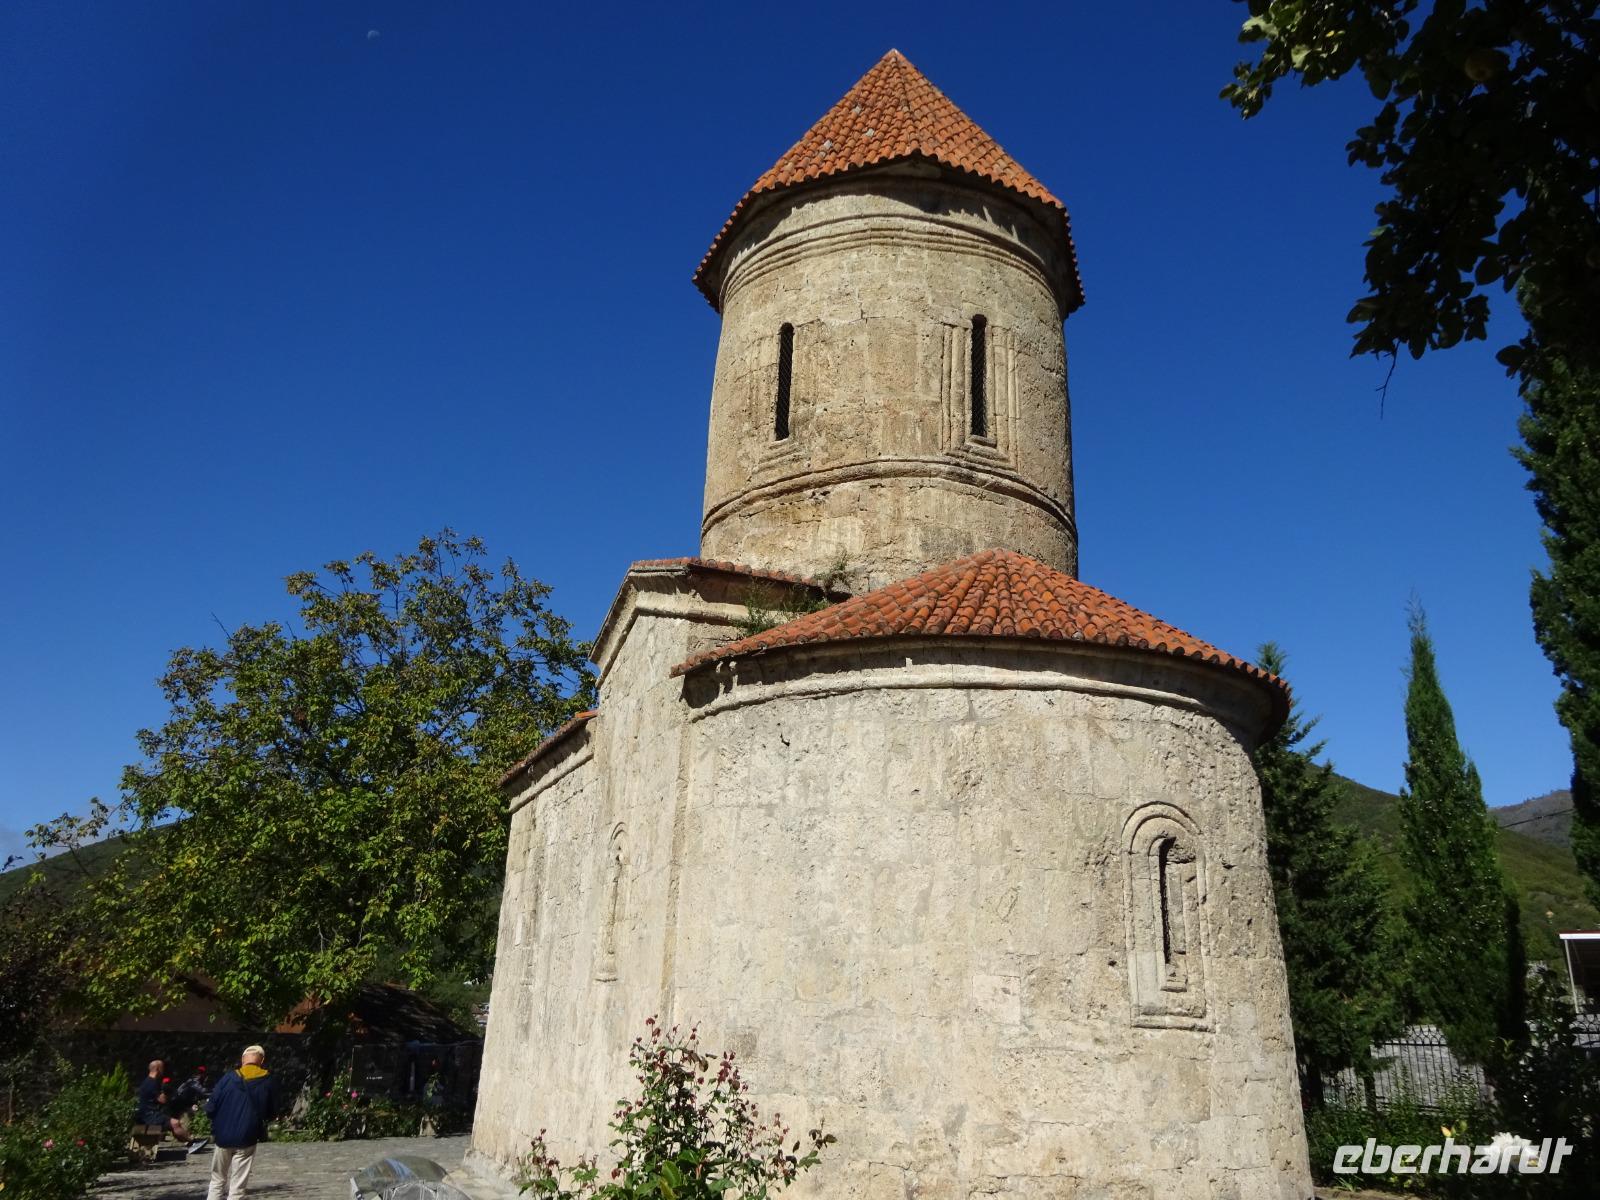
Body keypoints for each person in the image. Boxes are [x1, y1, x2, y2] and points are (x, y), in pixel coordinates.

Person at [204, 1045, 279, 1200]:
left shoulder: (227, 1078)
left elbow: (210, 1108)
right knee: (238, 1187)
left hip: (223, 1137)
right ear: (262, 1061)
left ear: (243, 1060)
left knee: (217, 1180)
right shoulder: (267, 1080)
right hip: (247, 1136)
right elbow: (271, 1111)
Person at [134, 1059, 192, 1143]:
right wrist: (166, 1091)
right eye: (162, 1068)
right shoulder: (152, 1083)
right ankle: (192, 1143)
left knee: (173, 1124)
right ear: (157, 1069)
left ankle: (189, 1143)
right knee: (175, 1123)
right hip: (149, 1115)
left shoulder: (147, 1081)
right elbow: (162, 1100)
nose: (163, 1070)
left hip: (146, 1114)